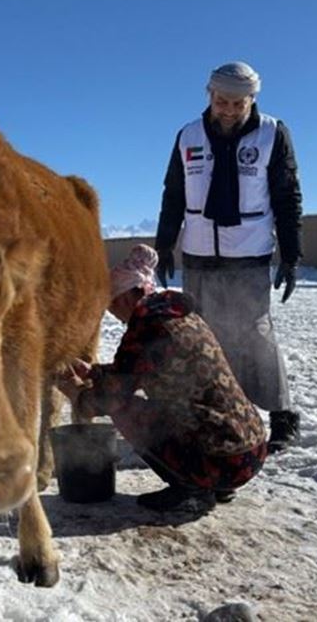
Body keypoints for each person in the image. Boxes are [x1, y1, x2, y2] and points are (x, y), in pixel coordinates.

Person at [153, 61, 303, 454]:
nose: (229, 110)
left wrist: (291, 254)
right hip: (200, 254)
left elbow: (287, 197)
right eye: (222, 101)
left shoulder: (272, 134)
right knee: (204, 337)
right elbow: (174, 193)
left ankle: (282, 415)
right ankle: (214, 412)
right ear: (209, 95)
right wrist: (164, 244)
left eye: (239, 103)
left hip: (249, 253)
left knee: (254, 334)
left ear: (252, 99)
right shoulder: (188, 136)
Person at [57, 245, 268, 513]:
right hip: (249, 450)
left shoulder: (146, 328)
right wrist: (95, 372)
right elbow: (137, 369)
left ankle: (193, 489)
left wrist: (78, 393)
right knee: (178, 412)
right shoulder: (179, 316)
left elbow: (110, 398)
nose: (112, 314)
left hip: (221, 459)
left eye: (110, 305)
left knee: (125, 409)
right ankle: (215, 484)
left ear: (123, 299)